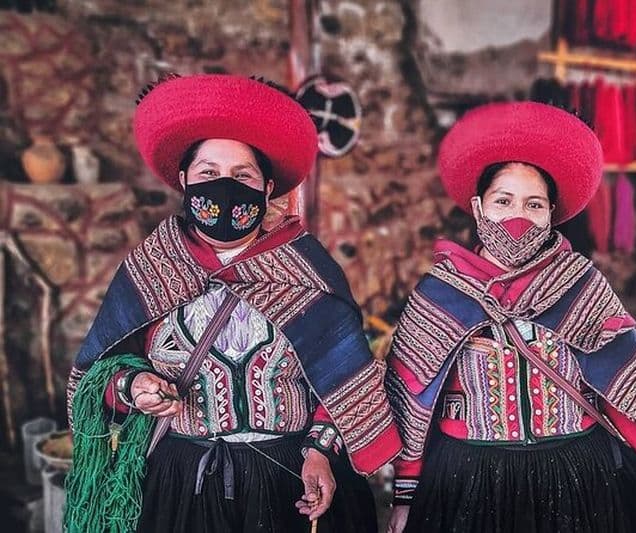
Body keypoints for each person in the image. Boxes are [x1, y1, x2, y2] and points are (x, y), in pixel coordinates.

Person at [64, 74, 400, 533]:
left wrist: (320, 452)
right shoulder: (152, 268)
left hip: (290, 481)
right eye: (208, 173)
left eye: (242, 176)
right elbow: (97, 379)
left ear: (266, 188)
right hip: (180, 485)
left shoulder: (307, 270)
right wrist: (135, 385)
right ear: (184, 179)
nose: (225, 187)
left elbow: (345, 381)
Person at [385, 102, 636, 533]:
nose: (518, 218)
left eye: (534, 205)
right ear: (478, 208)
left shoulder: (579, 284)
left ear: (551, 213)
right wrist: (406, 495)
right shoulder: (440, 295)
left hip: (573, 476)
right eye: (503, 201)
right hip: (468, 480)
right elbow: (413, 402)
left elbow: (623, 388)